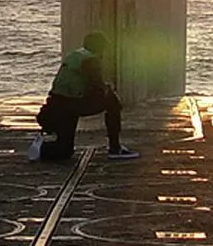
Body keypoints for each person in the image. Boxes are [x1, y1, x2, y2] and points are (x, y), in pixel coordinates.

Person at [32, 32, 138, 161]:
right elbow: (97, 87)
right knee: (112, 102)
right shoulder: (91, 61)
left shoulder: (74, 55)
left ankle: (40, 149)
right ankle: (115, 148)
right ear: (99, 48)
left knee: (65, 151)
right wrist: (108, 88)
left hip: (56, 104)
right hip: (71, 105)